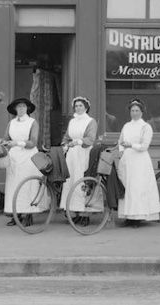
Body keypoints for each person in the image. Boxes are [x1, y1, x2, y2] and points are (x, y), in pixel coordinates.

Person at [117, 99, 160, 228]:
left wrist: (131, 145)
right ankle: (128, 216)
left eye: (137, 110)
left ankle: (138, 217)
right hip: (127, 159)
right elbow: (120, 141)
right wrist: (121, 152)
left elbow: (144, 146)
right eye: (132, 110)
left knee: (137, 187)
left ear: (142, 112)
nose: (134, 113)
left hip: (139, 160)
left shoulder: (145, 127)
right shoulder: (126, 126)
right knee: (127, 186)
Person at [2, 98, 44, 227]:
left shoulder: (32, 122)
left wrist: (17, 143)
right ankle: (16, 214)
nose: (21, 109)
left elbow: (33, 142)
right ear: (15, 109)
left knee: (27, 185)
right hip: (14, 157)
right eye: (18, 107)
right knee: (13, 185)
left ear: (27, 109)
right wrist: (2, 143)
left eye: (23, 107)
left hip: (28, 157)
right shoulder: (11, 123)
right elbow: (6, 138)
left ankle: (29, 214)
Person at [59, 97, 98, 226]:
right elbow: (67, 137)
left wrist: (79, 141)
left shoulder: (90, 121)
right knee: (71, 181)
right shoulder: (72, 121)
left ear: (86, 107)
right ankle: (73, 211)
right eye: (76, 106)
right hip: (72, 155)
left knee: (82, 180)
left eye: (81, 106)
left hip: (84, 153)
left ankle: (85, 213)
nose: (78, 108)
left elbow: (90, 139)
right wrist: (65, 144)